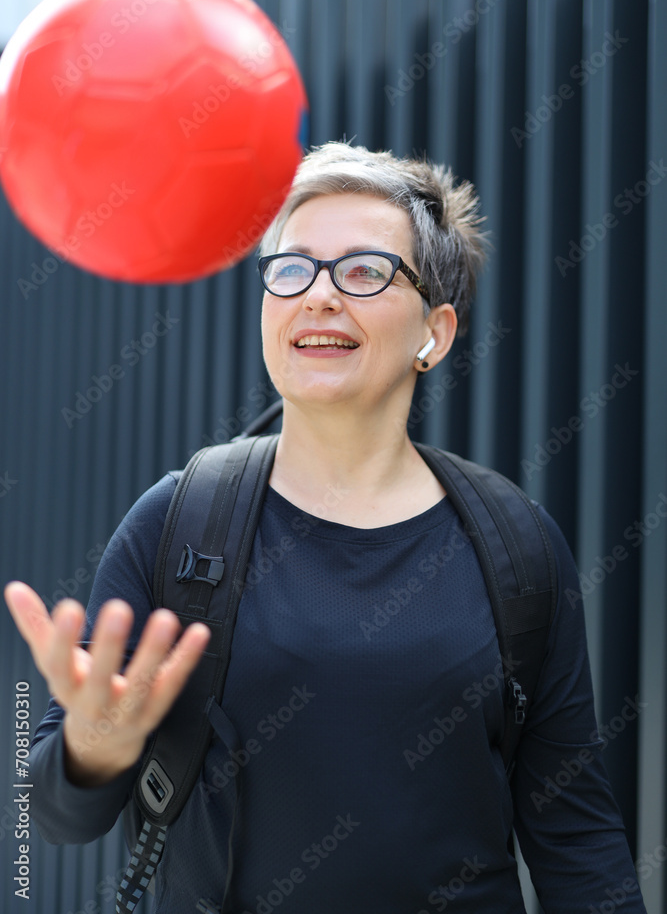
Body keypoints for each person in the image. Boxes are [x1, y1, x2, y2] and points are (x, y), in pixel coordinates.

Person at [5, 142, 647, 914]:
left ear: (432, 335)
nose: (317, 296)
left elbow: (575, 838)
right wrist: (92, 749)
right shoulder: (179, 520)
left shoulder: (516, 543)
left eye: (364, 272)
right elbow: (49, 817)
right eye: (291, 268)